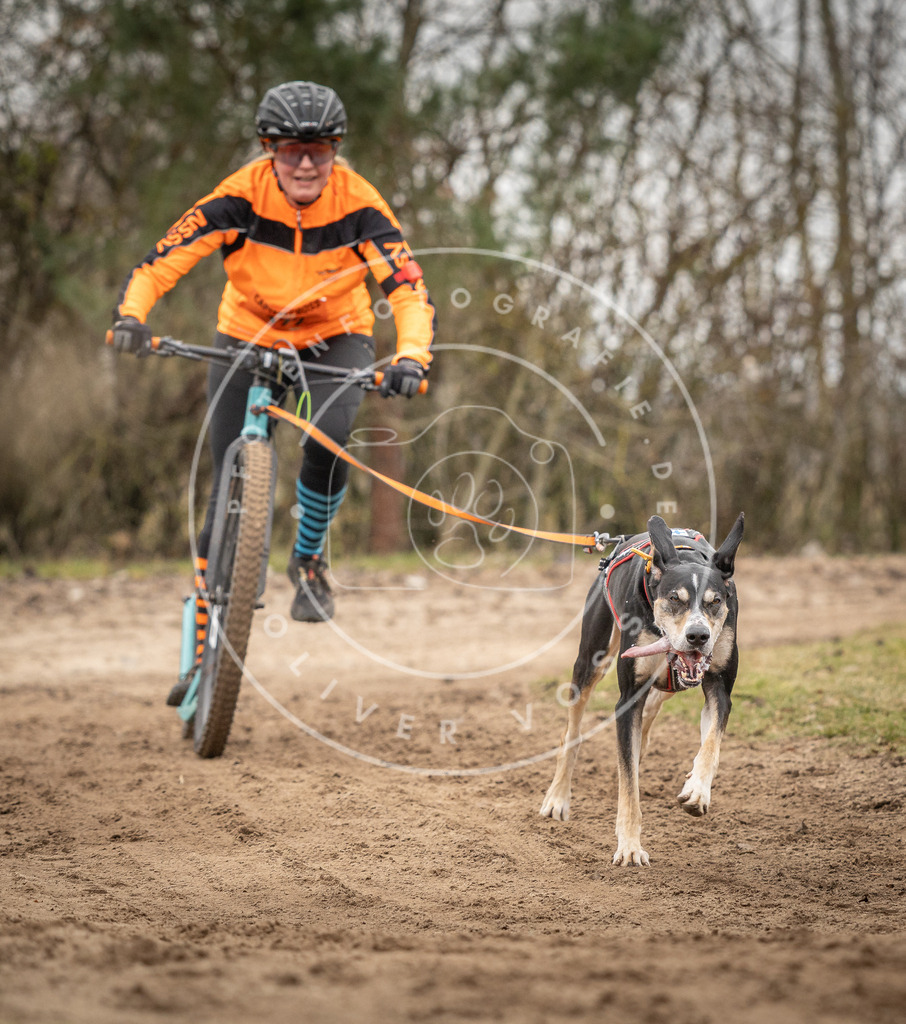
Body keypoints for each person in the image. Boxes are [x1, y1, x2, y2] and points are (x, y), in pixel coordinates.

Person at [110, 81, 435, 702]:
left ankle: (307, 557)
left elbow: (408, 288)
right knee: (222, 473)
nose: (306, 163)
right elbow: (162, 260)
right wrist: (132, 316)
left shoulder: (362, 206)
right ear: (268, 150)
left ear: (336, 150)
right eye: (291, 150)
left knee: (330, 438)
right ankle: (203, 647)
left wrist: (412, 355)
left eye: (319, 149)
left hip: (334, 336)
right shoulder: (238, 196)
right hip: (245, 332)